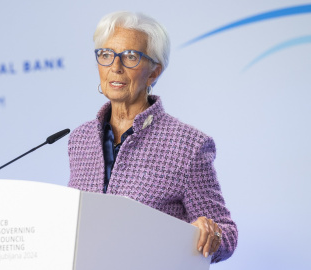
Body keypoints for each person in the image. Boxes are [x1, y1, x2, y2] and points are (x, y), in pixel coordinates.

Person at [67, 11, 237, 263]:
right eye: (106, 55)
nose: (115, 67)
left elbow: (227, 234)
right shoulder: (80, 139)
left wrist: (210, 233)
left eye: (130, 57)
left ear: (154, 72)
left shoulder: (188, 145)